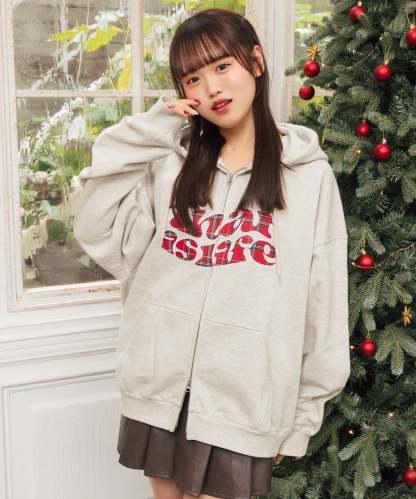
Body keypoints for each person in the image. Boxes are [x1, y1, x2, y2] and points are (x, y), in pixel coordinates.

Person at [73, 7, 350, 499]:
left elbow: (323, 304)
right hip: (159, 393)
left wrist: (301, 418)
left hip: (243, 402)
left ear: (256, 62)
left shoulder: (308, 176)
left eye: (223, 66)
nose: (212, 88)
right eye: (193, 79)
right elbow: (95, 227)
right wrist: (154, 128)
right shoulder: (169, 166)